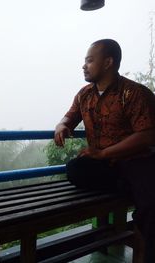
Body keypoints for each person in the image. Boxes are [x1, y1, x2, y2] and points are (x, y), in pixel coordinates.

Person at [54, 39, 155, 263]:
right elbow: (70, 116)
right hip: (108, 168)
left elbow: (147, 135)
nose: (84, 65)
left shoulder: (134, 93)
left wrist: (103, 154)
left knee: (150, 206)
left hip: (136, 160)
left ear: (108, 62)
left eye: (90, 60)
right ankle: (129, 187)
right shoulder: (84, 95)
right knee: (75, 169)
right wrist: (62, 125)